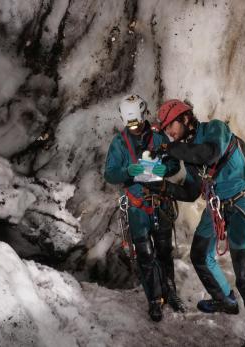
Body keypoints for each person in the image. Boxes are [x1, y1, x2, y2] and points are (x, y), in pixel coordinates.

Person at [150, 99, 245, 347]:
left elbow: (210, 153)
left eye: (170, 126)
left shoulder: (215, 129)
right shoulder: (187, 151)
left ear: (184, 119)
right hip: (216, 206)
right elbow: (192, 192)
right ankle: (225, 300)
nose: (168, 133)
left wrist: (168, 148)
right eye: (164, 131)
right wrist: (161, 187)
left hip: (240, 204)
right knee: (200, 255)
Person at [104, 94, 186, 322]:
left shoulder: (159, 138)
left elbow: (173, 163)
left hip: (159, 203)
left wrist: (161, 170)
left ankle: (171, 294)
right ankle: (154, 300)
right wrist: (128, 171)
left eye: (138, 123)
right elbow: (109, 173)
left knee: (164, 252)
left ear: (144, 116)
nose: (135, 127)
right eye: (130, 124)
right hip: (137, 208)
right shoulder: (119, 143)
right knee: (145, 255)